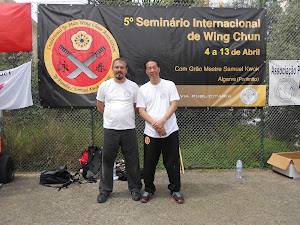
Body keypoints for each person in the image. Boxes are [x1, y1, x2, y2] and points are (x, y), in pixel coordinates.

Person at [137, 59, 184, 204]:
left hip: (170, 131)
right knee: (149, 163)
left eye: (154, 67)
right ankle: (149, 189)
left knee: (172, 162)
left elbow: (174, 104)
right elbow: (141, 110)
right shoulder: (143, 89)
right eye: (149, 68)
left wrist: (163, 121)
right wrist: (155, 125)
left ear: (159, 69)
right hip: (151, 133)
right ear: (146, 71)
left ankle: (175, 190)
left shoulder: (169, 85)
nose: (152, 71)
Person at [96, 58, 142, 203]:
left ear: (126, 70)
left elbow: (135, 107)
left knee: (132, 161)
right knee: (107, 161)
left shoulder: (134, 86)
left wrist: (124, 117)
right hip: (110, 130)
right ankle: (104, 190)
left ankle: (135, 189)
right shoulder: (105, 86)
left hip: (129, 130)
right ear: (112, 69)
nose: (119, 70)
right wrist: (112, 118)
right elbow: (100, 106)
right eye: (116, 67)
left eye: (122, 67)